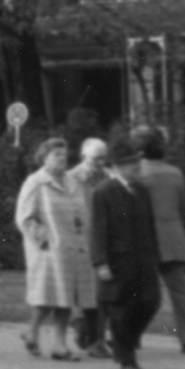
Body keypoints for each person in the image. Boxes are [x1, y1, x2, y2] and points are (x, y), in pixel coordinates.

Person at [132, 128, 185, 355]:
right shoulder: (175, 173)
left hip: (145, 237)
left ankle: (130, 335)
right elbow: (182, 206)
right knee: (181, 289)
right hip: (173, 235)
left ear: (139, 150)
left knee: (138, 290)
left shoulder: (137, 173)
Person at [91, 139, 166, 369]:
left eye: (136, 161)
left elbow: (150, 225)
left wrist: (156, 255)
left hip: (144, 259)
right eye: (130, 163)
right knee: (121, 309)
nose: (136, 166)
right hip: (118, 262)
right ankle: (127, 359)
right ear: (117, 167)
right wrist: (100, 262)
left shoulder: (141, 190)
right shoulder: (103, 192)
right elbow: (98, 230)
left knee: (151, 302)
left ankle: (125, 342)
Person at [16, 137, 95, 361]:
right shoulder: (36, 182)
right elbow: (25, 217)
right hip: (48, 251)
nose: (62, 158)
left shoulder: (73, 182)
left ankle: (59, 344)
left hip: (74, 249)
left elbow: (83, 211)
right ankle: (32, 330)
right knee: (47, 297)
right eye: (56, 154)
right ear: (44, 158)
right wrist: (45, 241)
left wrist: (83, 234)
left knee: (66, 298)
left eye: (64, 154)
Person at [70, 137, 114, 357]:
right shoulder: (72, 179)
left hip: (102, 240)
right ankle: (85, 330)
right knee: (85, 290)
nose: (101, 162)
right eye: (97, 158)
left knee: (100, 290)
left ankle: (93, 336)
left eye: (104, 158)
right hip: (79, 241)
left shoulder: (108, 177)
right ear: (84, 156)